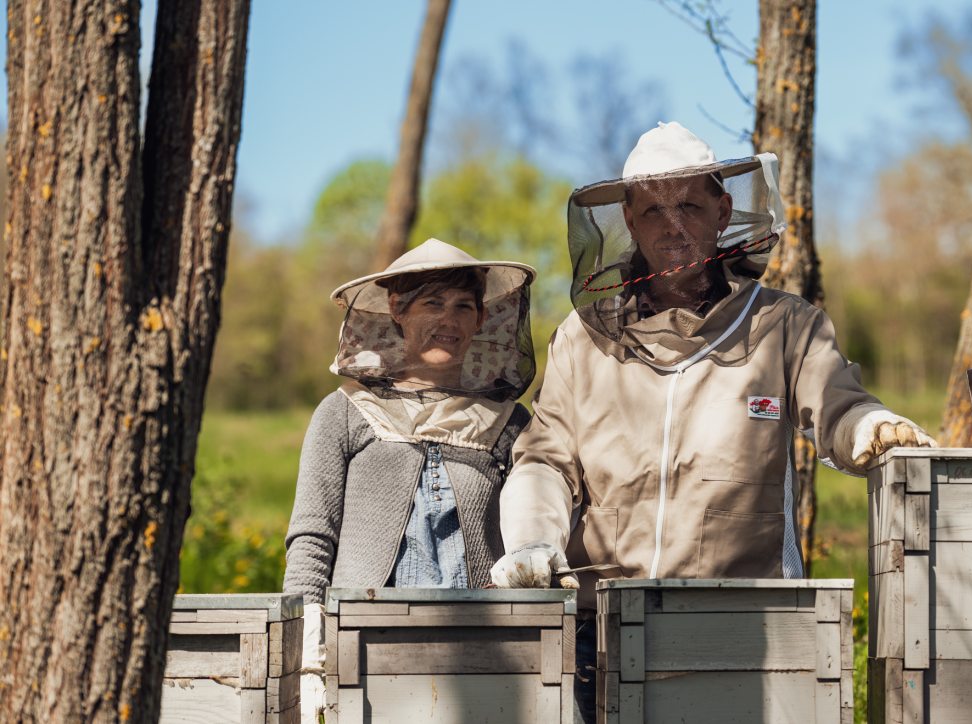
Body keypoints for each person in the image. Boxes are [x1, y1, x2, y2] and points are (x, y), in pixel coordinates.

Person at [488, 122, 936, 720]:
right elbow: (545, 458)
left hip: (742, 622)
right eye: (653, 210)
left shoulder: (783, 324)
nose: (673, 224)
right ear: (627, 219)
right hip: (603, 627)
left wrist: (871, 427)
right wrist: (531, 539)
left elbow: (837, 403)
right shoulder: (582, 340)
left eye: (690, 206)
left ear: (724, 211)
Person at [283, 238, 537, 724]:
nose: (450, 320)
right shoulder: (343, 412)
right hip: (362, 650)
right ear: (397, 310)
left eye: (465, 306)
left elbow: (528, 538)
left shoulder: (509, 423)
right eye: (433, 303)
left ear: (482, 319)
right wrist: (307, 653)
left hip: (479, 652)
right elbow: (312, 540)